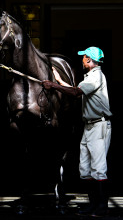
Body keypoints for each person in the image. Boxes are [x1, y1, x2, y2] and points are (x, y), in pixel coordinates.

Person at [42, 46, 112, 217]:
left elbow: (75, 92)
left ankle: (101, 207)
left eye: (84, 57)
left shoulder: (96, 76)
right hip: (88, 126)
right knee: (86, 168)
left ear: (88, 59)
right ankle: (93, 205)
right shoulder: (89, 78)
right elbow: (77, 91)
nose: (82, 60)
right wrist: (58, 80)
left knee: (98, 168)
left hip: (98, 126)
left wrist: (52, 85)